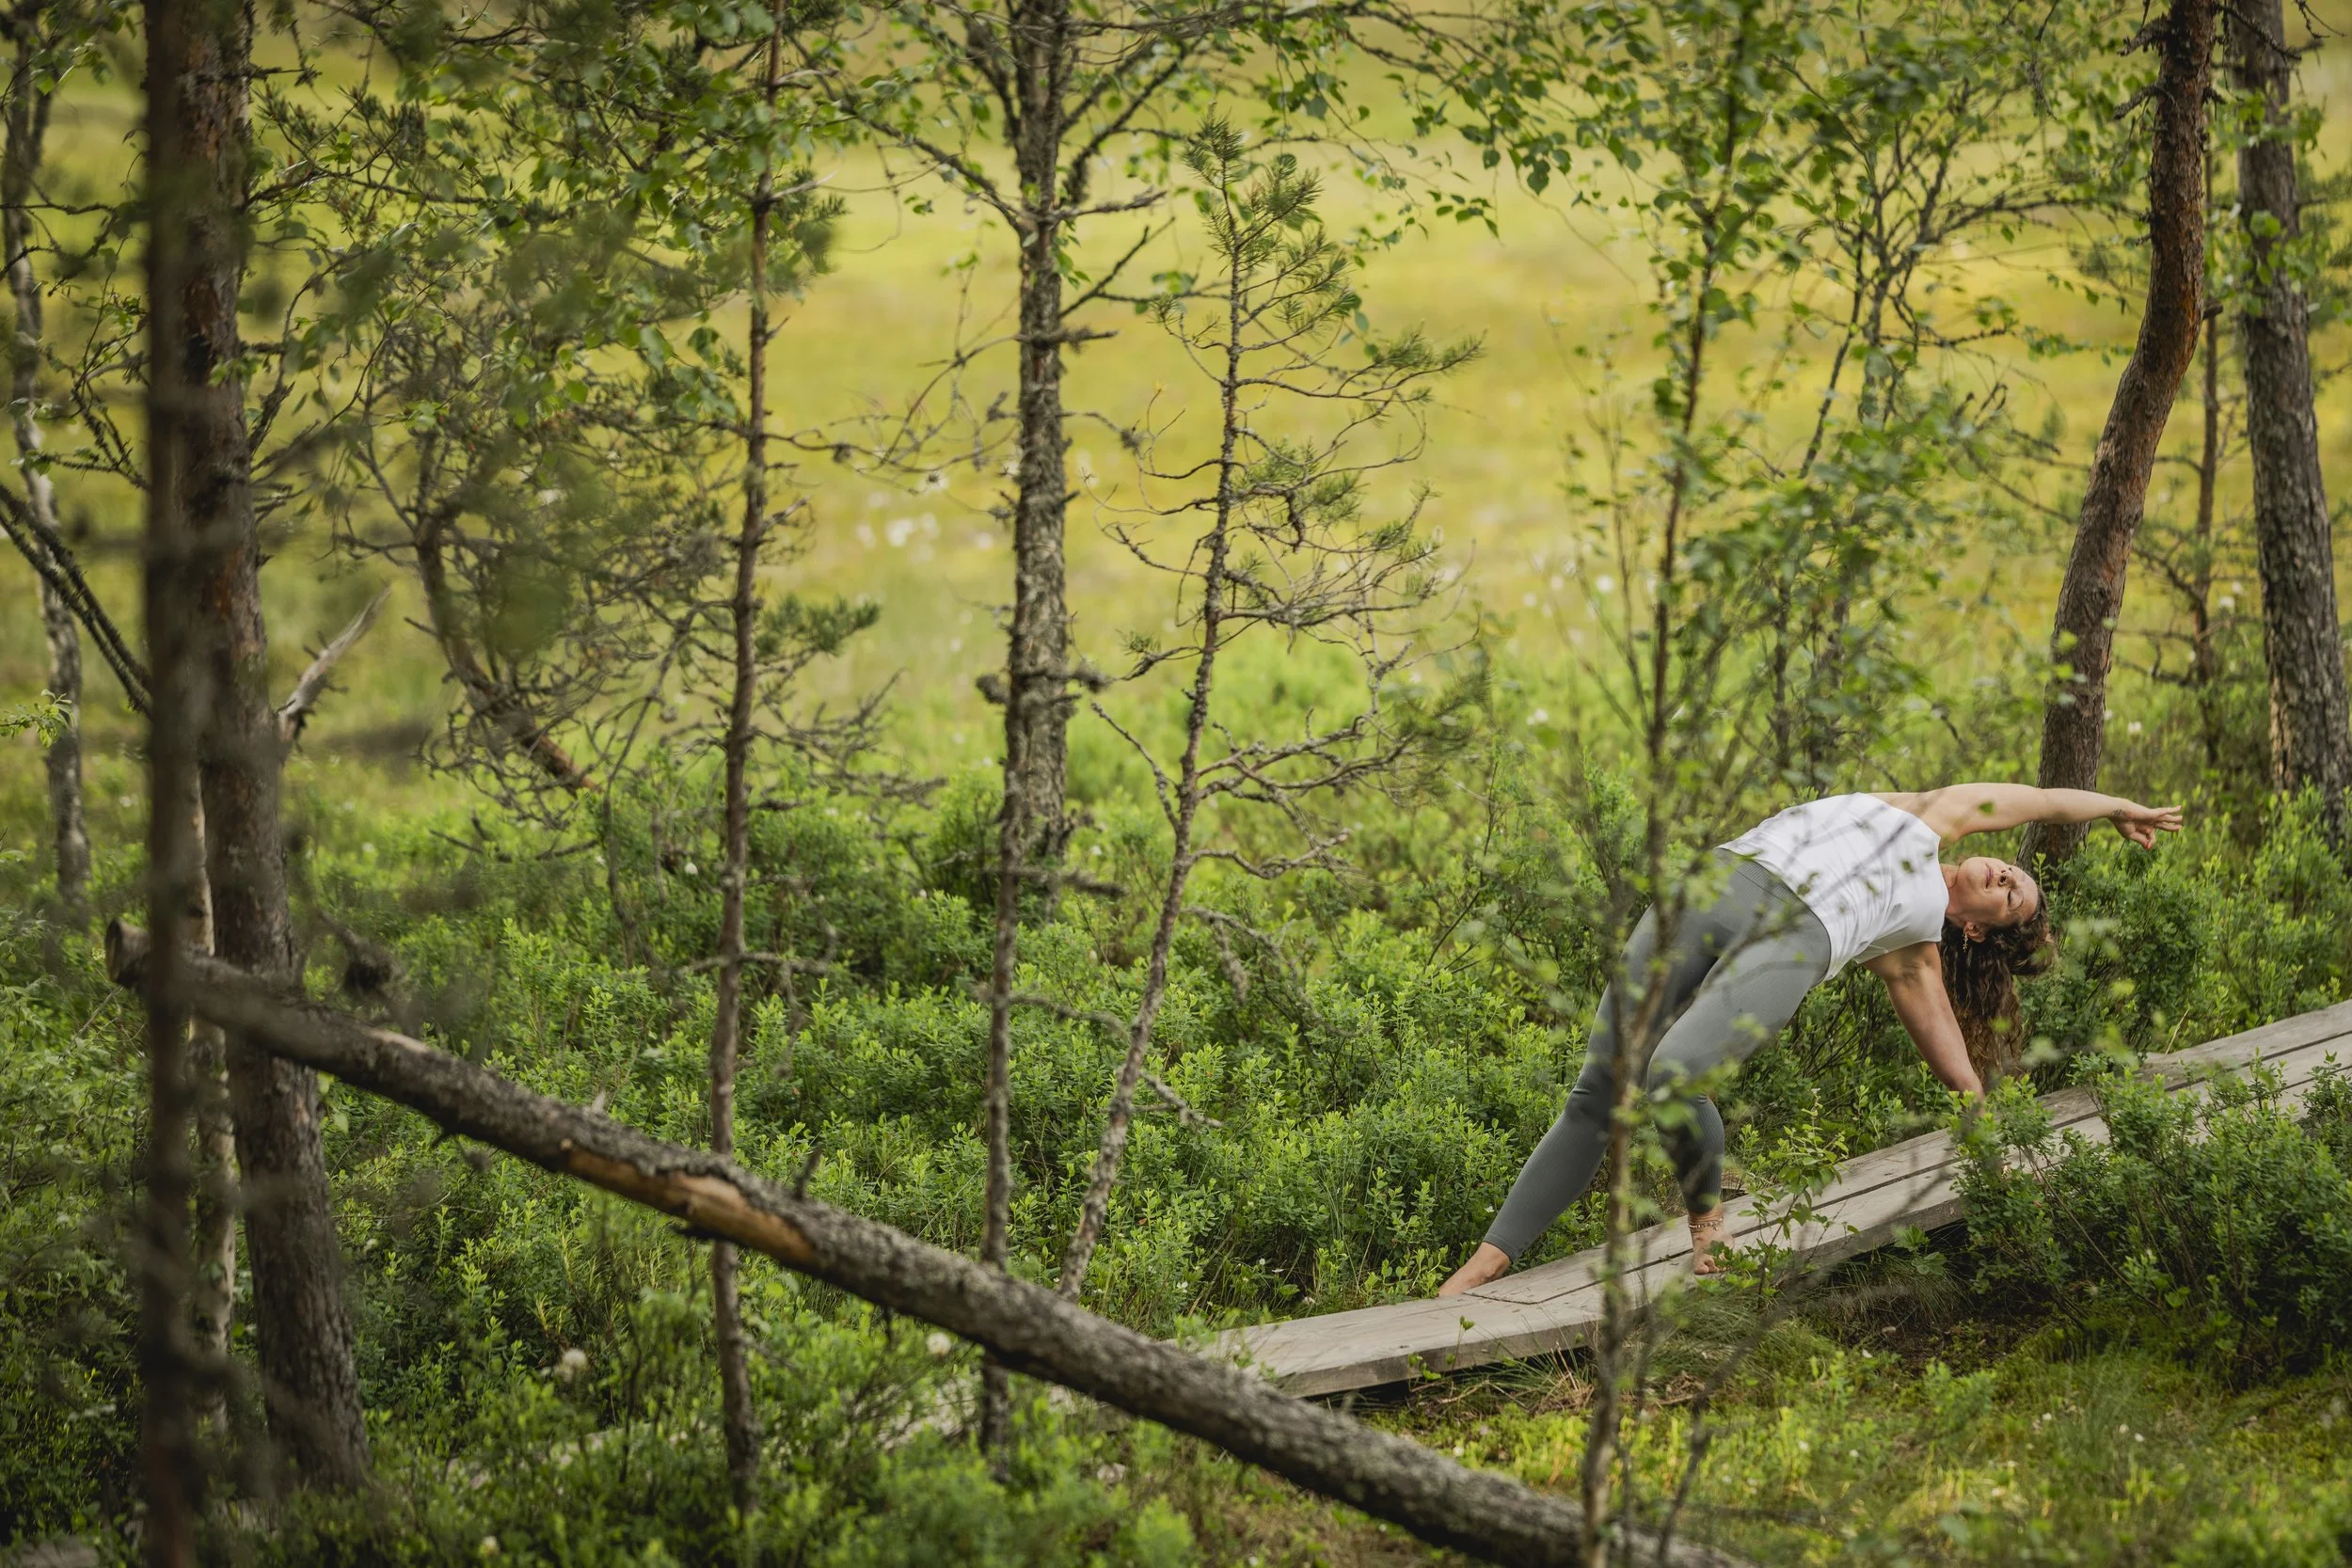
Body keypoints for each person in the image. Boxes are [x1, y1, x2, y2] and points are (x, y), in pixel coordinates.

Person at [1436, 784, 2182, 1296]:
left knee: (1668, 1076)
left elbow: (1937, 1026)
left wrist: (1976, 1106)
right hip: (1711, 882)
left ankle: (1706, 1217)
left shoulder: (1915, 937)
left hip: (1797, 936)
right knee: (1600, 1087)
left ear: (1978, 925)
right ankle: (1484, 1264)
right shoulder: (1926, 814)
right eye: (2012, 871)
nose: (2002, 875)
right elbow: (2039, 797)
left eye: (2010, 894)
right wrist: (2116, 805)